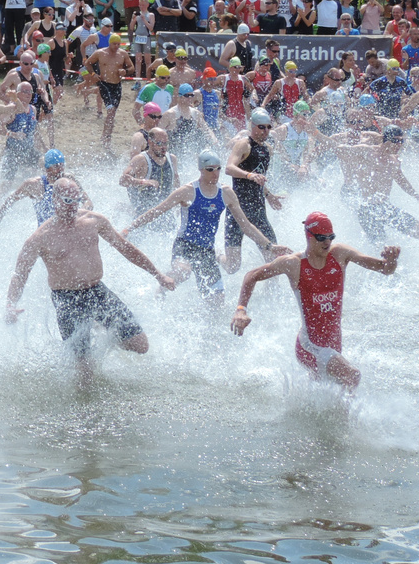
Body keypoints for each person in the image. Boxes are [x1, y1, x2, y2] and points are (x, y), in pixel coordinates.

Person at [5, 177, 176, 383]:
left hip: (97, 292)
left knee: (140, 345)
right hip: (67, 300)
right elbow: (20, 274)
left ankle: (102, 334)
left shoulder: (93, 221)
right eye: (67, 201)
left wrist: (158, 274)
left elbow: (126, 248)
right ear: (54, 199)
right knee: (85, 374)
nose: (73, 206)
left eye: (76, 200)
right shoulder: (40, 237)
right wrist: (10, 304)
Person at [231, 212, 401, 390]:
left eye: (330, 237)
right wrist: (241, 309)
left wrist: (391, 261)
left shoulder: (340, 254)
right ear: (309, 237)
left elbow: (384, 269)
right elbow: (252, 275)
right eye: (321, 238)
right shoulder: (294, 263)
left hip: (333, 343)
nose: (327, 242)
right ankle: (346, 419)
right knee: (352, 375)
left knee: (326, 392)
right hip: (309, 346)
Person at [122, 150, 288, 304]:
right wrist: (129, 228)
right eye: (210, 169)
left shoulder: (226, 193)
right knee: (183, 272)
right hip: (185, 245)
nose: (215, 173)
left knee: (217, 300)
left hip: (207, 251)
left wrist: (270, 245)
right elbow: (156, 211)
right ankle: (161, 288)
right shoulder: (187, 191)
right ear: (201, 169)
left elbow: (246, 225)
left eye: (218, 169)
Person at [333, 127, 419, 243]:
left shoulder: (394, 160)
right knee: (381, 246)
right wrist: (359, 145)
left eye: (402, 141)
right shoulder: (367, 151)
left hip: (385, 208)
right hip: (367, 209)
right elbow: (339, 151)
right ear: (386, 140)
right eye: (396, 140)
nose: (399, 144)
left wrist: (418, 197)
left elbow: (402, 181)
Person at [221, 108, 286, 272]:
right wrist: (249, 175)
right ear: (252, 126)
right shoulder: (244, 144)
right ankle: (214, 255)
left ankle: (270, 294)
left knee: (273, 259)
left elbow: (259, 178)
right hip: (237, 210)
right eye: (261, 127)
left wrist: (269, 195)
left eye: (268, 127)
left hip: (258, 209)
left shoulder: (267, 149)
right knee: (232, 266)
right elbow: (229, 168)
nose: (265, 131)